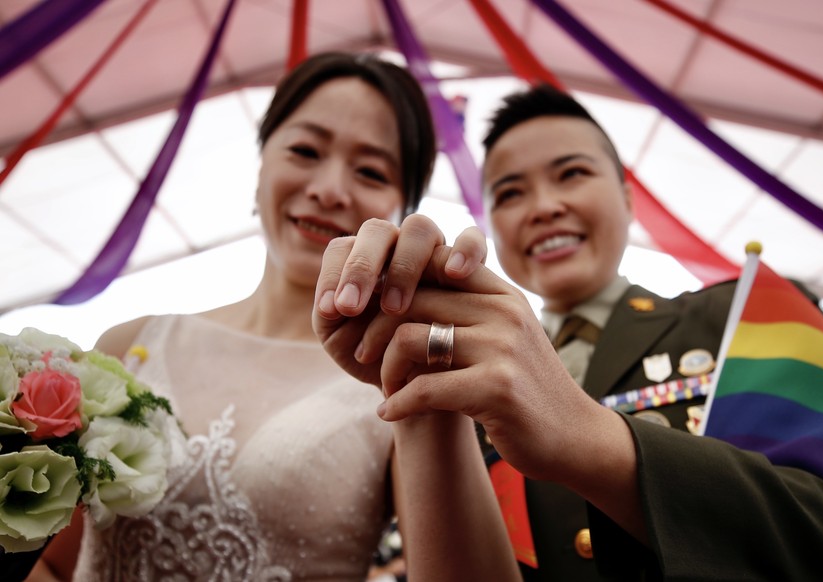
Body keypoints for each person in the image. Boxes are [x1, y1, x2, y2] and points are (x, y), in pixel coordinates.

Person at [313, 84, 823, 581]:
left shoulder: (744, 315)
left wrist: (593, 439)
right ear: (491, 229)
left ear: (629, 198)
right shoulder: (458, 384)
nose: (544, 207)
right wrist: (419, 396)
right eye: (510, 194)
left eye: (572, 173)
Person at [30, 51, 518, 582]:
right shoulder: (128, 345)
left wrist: (429, 391)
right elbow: (54, 564)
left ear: (404, 208)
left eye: (371, 170)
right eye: (306, 150)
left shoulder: (400, 378)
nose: (330, 189)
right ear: (261, 165)